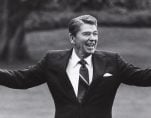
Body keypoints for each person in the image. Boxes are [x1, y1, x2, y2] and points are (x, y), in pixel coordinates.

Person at [0, 14, 151, 118]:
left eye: (95, 34)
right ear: (72, 38)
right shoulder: (52, 60)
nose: (93, 39)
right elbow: (21, 80)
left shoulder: (112, 61)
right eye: (86, 34)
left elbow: (143, 77)